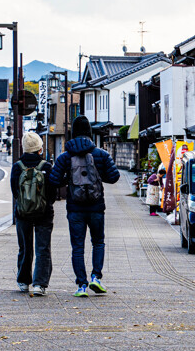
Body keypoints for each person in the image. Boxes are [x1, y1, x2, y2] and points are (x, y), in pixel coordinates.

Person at [48, 115, 120, 297]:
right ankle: (96, 277)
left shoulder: (65, 156)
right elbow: (114, 177)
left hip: (75, 209)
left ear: (73, 133)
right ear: (89, 132)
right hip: (96, 208)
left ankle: (81, 285)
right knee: (98, 242)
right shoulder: (100, 154)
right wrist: (97, 176)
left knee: (78, 247)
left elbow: (54, 180)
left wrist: (70, 180)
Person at [11, 132, 55, 296]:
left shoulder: (17, 167)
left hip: (23, 213)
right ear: (39, 149)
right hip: (44, 213)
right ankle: (39, 284)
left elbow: (15, 192)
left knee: (25, 247)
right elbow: (52, 191)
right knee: (43, 248)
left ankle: (23, 281)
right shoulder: (46, 166)